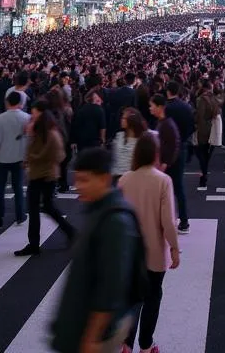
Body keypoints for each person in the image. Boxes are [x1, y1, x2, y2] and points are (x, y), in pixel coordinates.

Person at [50, 146, 144, 353]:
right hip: (81, 327)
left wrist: (91, 338)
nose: (77, 186)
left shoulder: (115, 221)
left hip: (95, 337)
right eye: (77, 179)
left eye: (84, 180)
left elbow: (111, 286)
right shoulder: (99, 210)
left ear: (104, 179)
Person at [119, 132, 180, 353]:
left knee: (132, 298)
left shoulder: (125, 179)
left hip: (130, 252)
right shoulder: (163, 180)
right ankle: (146, 345)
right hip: (154, 251)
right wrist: (174, 247)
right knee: (153, 297)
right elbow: (168, 221)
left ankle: (126, 343)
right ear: (155, 154)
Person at [15, 99, 76, 256]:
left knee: (38, 208)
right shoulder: (42, 130)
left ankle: (36, 243)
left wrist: (32, 157)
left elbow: (58, 155)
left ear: (40, 113)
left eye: (34, 112)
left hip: (44, 175)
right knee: (45, 207)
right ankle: (69, 233)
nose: (31, 115)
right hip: (42, 174)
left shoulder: (49, 133)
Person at [150, 93, 187, 233]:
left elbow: (174, 144)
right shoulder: (162, 123)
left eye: (152, 105)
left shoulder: (167, 124)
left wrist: (165, 163)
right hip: (169, 163)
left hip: (171, 164)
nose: (150, 108)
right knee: (173, 192)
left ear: (160, 107)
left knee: (176, 190)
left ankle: (182, 221)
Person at [0, 90, 29, 228]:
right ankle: (20, 215)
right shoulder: (26, 117)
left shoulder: (0, 118)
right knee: (18, 188)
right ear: (20, 103)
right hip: (19, 157)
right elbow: (27, 140)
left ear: (7, 102)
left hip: (2, 157)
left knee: (0, 189)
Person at [194, 81, 221, 190]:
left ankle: (203, 176)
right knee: (206, 153)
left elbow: (199, 116)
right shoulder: (215, 99)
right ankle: (204, 174)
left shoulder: (201, 100)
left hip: (202, 129)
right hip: (212, 128)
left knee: (201, 153)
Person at [112, 108, 147, 183]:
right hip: (116, 177)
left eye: (124, 118)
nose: (121, 120)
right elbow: (114, 156)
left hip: (133, 178)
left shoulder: (141, 140)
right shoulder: (119, 136)